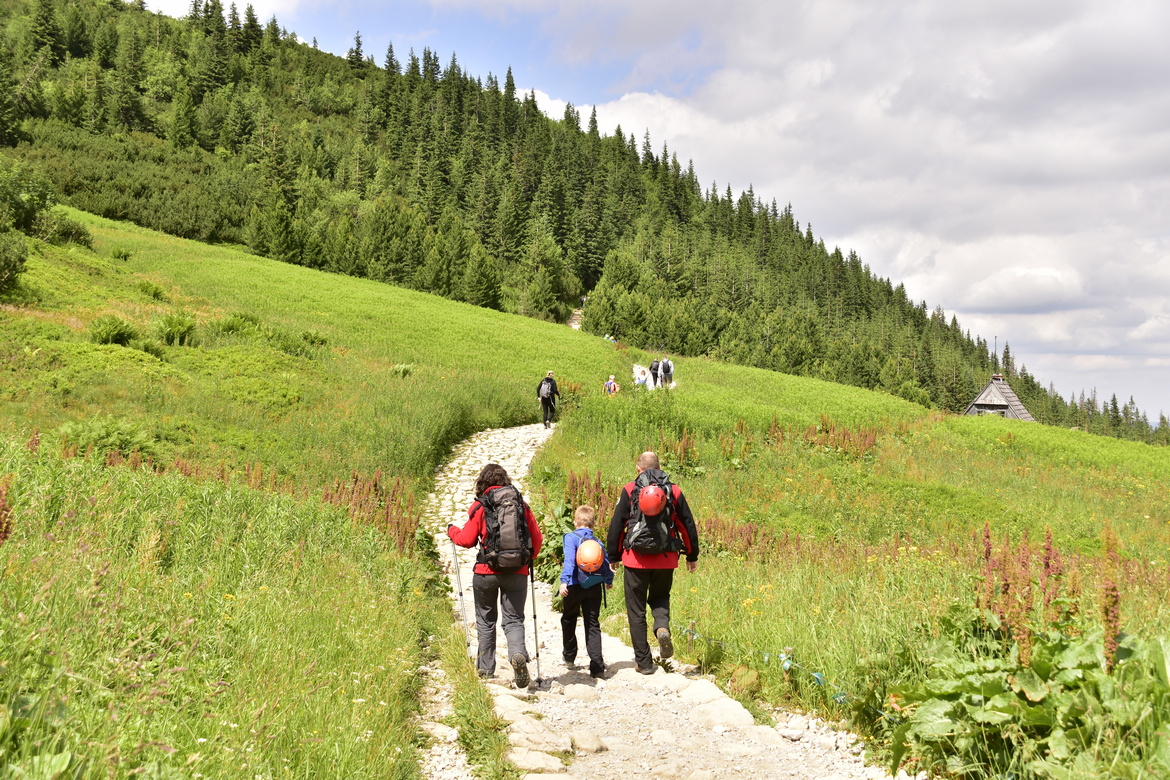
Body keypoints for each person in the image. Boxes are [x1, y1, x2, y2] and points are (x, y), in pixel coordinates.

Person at [448, 463, 543, 688]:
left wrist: (451, 530)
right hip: (517, 572)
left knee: (485, 620)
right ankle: (517, 654)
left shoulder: (481, 506)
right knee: (513, 620)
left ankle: (485, 670)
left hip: (486, 572)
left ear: (483, 483)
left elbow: (466, 540)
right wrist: (526, 560)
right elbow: (536, 539)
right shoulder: (521, 505)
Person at [607, 452, 699, 674]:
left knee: (636, 610)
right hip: (665, 560)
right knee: (660, 597)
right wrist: (692, 555)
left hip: (635, 560)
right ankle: (661, 628)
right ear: (659, 467)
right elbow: (688, 524)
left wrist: (614, 556)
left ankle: (645, 663)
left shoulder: (631, 489)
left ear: (638, 469)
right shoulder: (673, 490)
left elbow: (618, 525)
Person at [558, 505, 614, 678]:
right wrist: (608, 581)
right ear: (593, 524)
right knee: (592, 624)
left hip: (574, 586)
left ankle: (569, 656)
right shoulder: (597, 541)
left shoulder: (570, 537)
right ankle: (597, 666)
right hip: (594, 587)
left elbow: (569, 561)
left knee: (569, 619)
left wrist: (564, 581)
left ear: (575, 521)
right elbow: (606, 563)